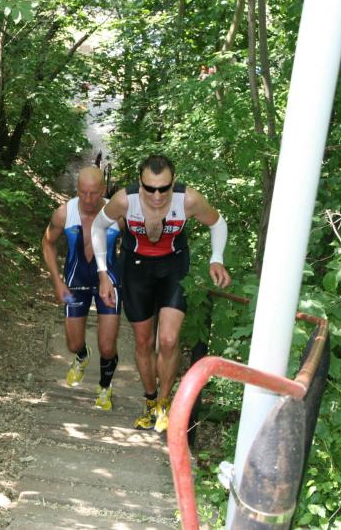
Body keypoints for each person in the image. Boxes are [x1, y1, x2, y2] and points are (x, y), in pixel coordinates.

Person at [91, 154, 231, 432]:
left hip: (173, 267)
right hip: (135, 269)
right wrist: (103, 272)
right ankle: (150, 400)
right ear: (140, 182)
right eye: (150, 188)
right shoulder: (125, 200)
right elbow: (98, 226)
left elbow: (217, 223)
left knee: (168, 340)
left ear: (173, 182)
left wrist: (217, 259)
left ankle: (165, 404)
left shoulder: (188, 199)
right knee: (143, 342)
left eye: (164, 188)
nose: (157, 196)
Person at [42, 166, 122, 411]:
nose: (88, 199)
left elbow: (137, 244)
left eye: (94, 193)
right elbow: (47, 243)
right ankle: (82, 356)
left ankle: (105, 387)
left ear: (104, 190)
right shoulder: (64, 213)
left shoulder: (117, 214)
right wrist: (57, 280)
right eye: (83, 193)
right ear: (77, 190)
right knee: (72, 344)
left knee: (107, 345)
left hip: (108, 282)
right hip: (75, 283)